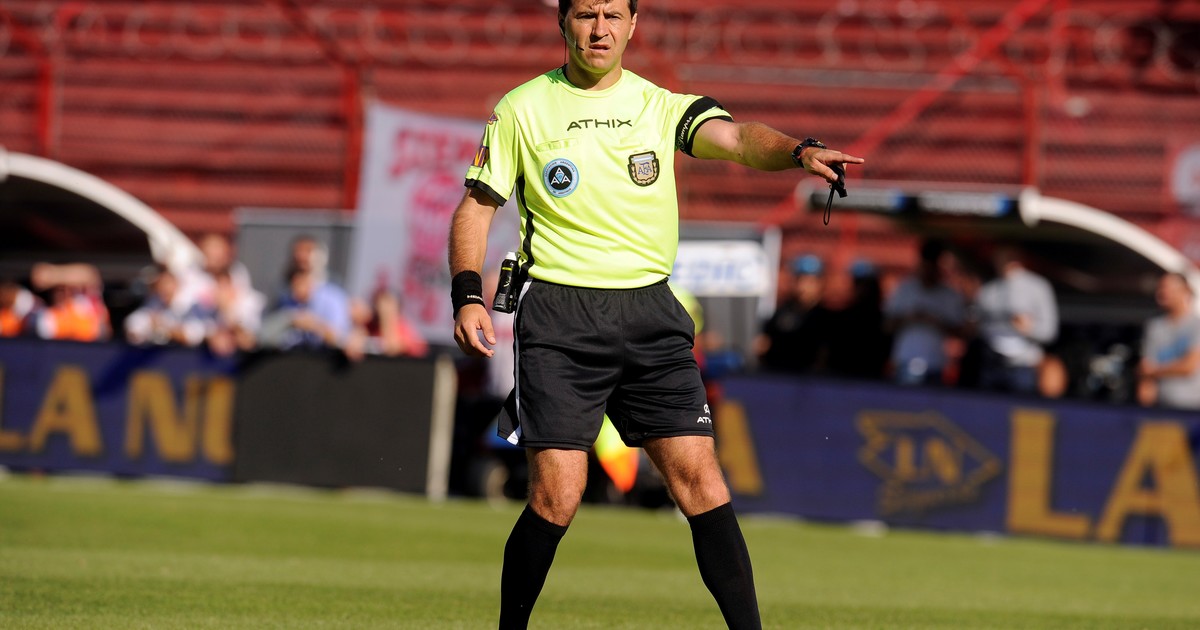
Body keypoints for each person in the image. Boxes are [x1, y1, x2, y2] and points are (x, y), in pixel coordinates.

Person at [447, 1, 864, 627]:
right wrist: (467, 294)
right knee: (558, 494)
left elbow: (738, 139)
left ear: (633, 25)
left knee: (702, 483)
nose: (600, 29)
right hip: (559, 314)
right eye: (586, 14)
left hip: (650, 312)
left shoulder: (661, 106)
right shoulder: (522, 108)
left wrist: (798, 151)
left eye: (614, 14)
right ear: (563, 22)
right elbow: (475, 209)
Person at [974, 246, 1058, 394]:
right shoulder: (988, 290)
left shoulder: (1038, 286)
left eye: (1009, 257)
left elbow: (1049, 332)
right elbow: (978, 326)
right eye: (1000, 257)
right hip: (991, 363)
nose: (1004, 261)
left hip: (1023, 366)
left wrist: (1028, 328)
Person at [883, 240, 967, 386]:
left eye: (933, 266)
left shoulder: (950, 295)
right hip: (905, 360)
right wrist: (910, 318)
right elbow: (887, 325)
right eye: (926, 265)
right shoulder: (905, 289)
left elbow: (961, 331)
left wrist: (935, 321)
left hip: (936, 364)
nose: (929, 270)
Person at [1136, 272, 1200, 410]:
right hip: (1162, 407)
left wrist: (1154, 371)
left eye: (1167, 288)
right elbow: (1146, 369)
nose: (1161, 293)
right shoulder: (1154, 327)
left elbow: (1189, 367)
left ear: (1185, 291)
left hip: (1193, 409)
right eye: (1160, 288)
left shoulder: (1196, 325)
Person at [756, 254, 826, 374]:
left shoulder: (826, 318)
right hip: (780, 376)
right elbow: (764, 346)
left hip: (813, 380)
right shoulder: (781, 314)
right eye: (799, 280)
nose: (803, 287)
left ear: (819, 284)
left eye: (810, 282)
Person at [259, 266, 351, 351]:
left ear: (309, 282)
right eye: (293, 286)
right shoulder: (289, 301)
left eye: (299, 285)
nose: (295, 292)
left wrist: (314, 325)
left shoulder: (330, 300)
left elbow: (339, 339)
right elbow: (265, 336)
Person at [124, 265, 210, 347]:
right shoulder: (156, 303)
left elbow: (194, 335)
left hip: (187, 354)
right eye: (160, 285)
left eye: (167, 284)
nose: (164, 289)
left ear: (176, 284)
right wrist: (138, 330)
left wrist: (166, 329)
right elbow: (136, 322)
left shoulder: (191, 304)